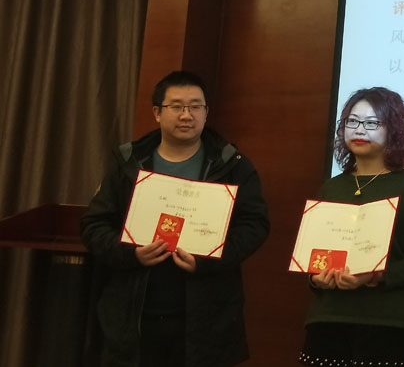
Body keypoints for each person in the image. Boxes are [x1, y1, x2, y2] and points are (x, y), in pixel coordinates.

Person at [80, 71, 269, 366]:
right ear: (157, 112)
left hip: (206, 319)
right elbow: (94, 225)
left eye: (196, 106)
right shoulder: (129, 163)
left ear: (206, 113)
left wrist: (208, 258)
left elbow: (255, 225)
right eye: (177, 106)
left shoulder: (232, 165)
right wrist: (132, 253)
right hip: (133, 317)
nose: (186, 115)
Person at [299, 87, 404, 367]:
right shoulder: (331, 188)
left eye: (372, 123)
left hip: (384, 322)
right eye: (352, 121)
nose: (359, 129)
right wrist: (316, 278)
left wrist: (375, 276)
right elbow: (311, 258)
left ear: (393, 130)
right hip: (328, 317)